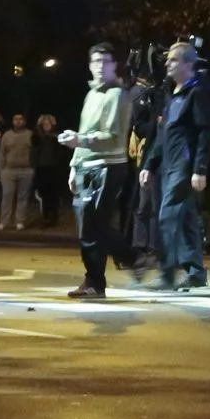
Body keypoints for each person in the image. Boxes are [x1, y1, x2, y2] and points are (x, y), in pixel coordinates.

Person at [138, 40, 210, 290]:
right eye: (168, 59)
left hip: (184, 164)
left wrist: (200, 169)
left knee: (168, 217)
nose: (167, 63)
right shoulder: (173, 95)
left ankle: (168, 273)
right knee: (187, 218)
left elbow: (205, 132)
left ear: (188, 64)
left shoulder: (197, 92)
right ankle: (196, 272)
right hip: (169, 164)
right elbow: (163, 135)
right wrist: (149, 164)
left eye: (174, 59)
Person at [64, 44, 137, 298]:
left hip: (108, 165)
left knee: (94, 226)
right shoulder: (92, 94)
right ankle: (128, 261)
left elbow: (115, 138)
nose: (99, 66)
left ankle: (98, 280)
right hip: (87, 166)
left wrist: (81, 141)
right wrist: (74, 165)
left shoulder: (117, 94)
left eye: (105, 61)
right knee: (92, 226)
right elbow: (83, 130)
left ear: (115, 65)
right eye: (95, 61)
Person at [0, 113, 35, 230]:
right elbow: (2, 153)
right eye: (16, 119)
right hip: (9, 170)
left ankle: (20, 221)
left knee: (23, 197)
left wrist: (33, 168)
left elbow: (35, 153)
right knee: (7, 195)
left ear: (24, 121)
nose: (18, 121)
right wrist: (1, 169)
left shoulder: (30, 135)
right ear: (12, 121)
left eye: (20, 119)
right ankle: (4, 221)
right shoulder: (7, 135)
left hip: (26, 170)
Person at [33, 111, 70, 228]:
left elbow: (64, 153)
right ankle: (45, 217)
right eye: (44, 123)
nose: (46, 125)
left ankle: (54, 217)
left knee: (54, 194)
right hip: (41, 168)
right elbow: (34, 152)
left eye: (48, 122)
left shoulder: (58, 136)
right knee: (44, 195)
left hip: (55, 169)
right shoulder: (37, 137)